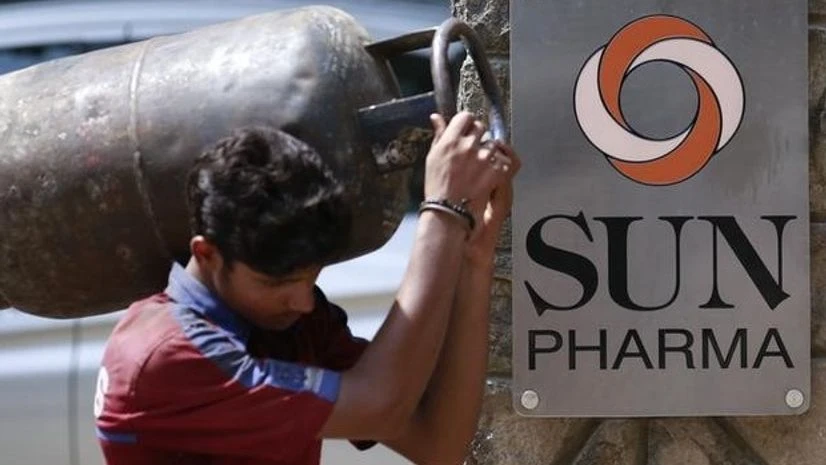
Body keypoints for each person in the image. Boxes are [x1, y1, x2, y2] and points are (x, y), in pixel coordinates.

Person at [94, 110, 520, 465]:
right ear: (207, 254)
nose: (303, 302)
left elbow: (437, 444)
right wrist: (442, 210)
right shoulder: (167, 357)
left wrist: (474, 261)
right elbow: (381, 405)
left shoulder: (289, 323)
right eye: (277, 283)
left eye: (311, 278)